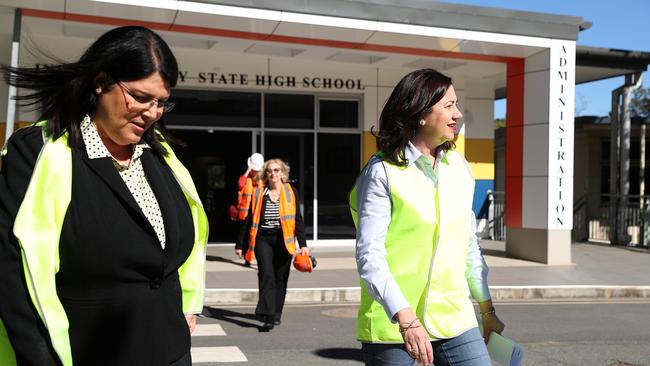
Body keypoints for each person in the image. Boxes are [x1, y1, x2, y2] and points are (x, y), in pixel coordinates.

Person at [0, 26, 208, 366]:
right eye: (141, 97)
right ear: (101, 82)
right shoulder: (40, 153)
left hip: (171, 354)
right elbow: (14, 282)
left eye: (162, 103)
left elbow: (184, 252)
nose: (153, 113)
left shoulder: (162, 156)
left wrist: (187, 306)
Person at [349, 68, 505, 366]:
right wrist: (406, 320)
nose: (458, 113)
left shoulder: (459, 167)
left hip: (455, 318)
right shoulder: (381, 172)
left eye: (456, 104)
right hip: (393, 323)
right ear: (419, 112)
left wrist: (486, 309)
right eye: (448, 105)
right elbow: (370, 256)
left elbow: (467, 244)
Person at [235, 159, 308, 331]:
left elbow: (298, 219)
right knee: (266, 274)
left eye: (276, 170)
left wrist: (303, 244)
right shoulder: (259, 193)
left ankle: (276, 313)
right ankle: (267, 314)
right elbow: (249, 219)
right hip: (263, 240)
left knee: (280, 277)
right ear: (265, 174)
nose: (273, 174)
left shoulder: (291, 192)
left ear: (282, 173)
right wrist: (240, 244)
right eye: (269, 171)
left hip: (284, 240)